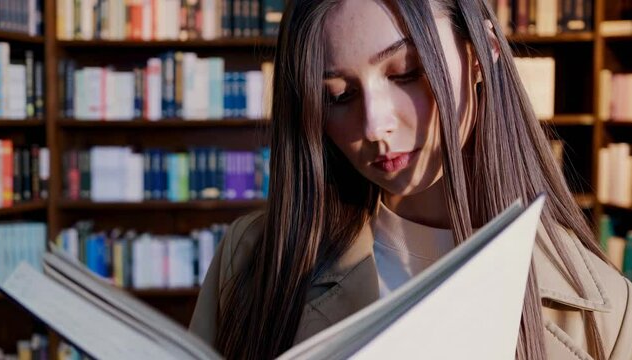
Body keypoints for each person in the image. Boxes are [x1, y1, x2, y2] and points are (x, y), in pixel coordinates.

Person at [189, 0, 632, 359]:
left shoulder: (607, 310)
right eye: (338, 96)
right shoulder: (253, 258)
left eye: (406, 74)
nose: (374, 126)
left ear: (484, 55)